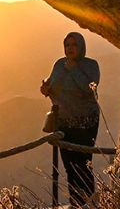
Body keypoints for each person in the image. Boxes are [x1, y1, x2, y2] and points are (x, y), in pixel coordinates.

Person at [41, 32, 101, 207]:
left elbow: (89, 89)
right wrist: (45, 88)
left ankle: (89, 204)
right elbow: (52, 85)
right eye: (67, 45)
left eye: (74, 45)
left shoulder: (91, 65)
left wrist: (74, 69)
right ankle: (75, 203)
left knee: (83, 165)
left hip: (85, 123)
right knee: (70, 168)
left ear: (81, 46)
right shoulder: (59, 64)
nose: (70, 48)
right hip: (64, 123)